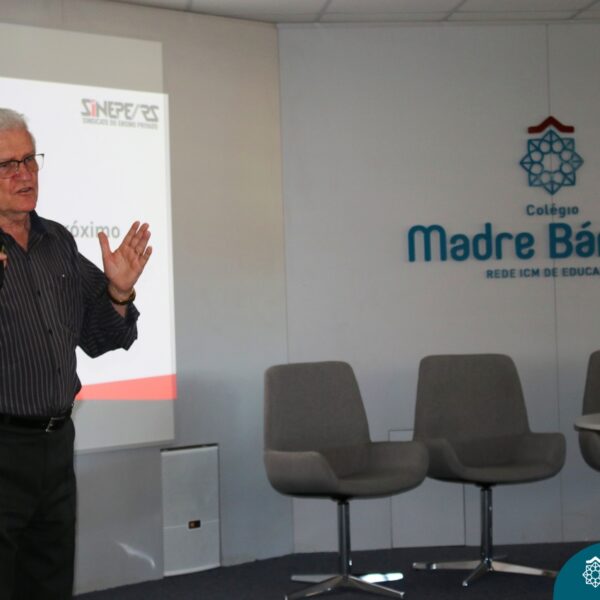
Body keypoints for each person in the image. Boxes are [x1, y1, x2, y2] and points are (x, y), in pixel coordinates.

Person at [0, 107, 152, 599]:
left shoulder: (58, 242)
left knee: (49, 581)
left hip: (55, 445)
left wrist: (119, 293)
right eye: (7, 165)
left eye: (30, 160)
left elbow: (100, 336)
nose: (24, 174)